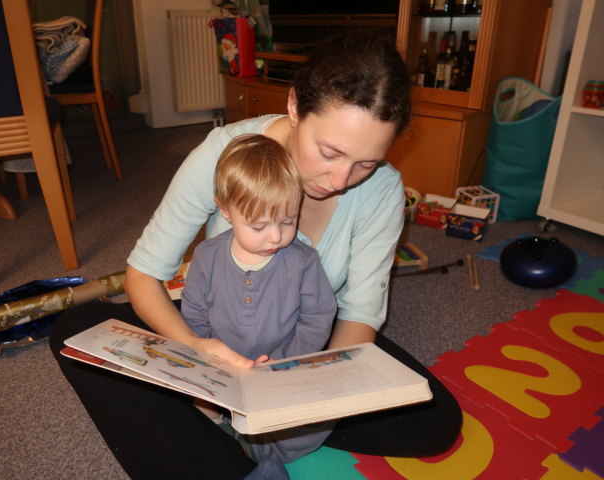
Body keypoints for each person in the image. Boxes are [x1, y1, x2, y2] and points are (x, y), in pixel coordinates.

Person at [50, 28, 462, 480]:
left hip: (309, 340)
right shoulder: (225, 151)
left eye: (367, 162)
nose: (342, 178)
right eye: (329, 152)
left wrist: (309, 385)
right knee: (77, 333)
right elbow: (144, 275)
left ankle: (247, 428)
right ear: (294, 107)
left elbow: (359, 316)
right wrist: (195, 350)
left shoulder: (383, 190)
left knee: (434, 420)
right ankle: (236, 450)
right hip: (214, 333)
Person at [181, 134, 338, 478]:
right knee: (185, 403)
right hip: (222, 373)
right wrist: (214, 361)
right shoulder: (207, 257)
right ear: (225, 210)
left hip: (280, 372)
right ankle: (236, 434)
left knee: (325, 415)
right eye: (258, 226)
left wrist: (282, 362)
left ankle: (256, 447)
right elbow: (193, 316)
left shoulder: (304, 262)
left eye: (287, 221)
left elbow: (318, 318)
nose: (276, 236)